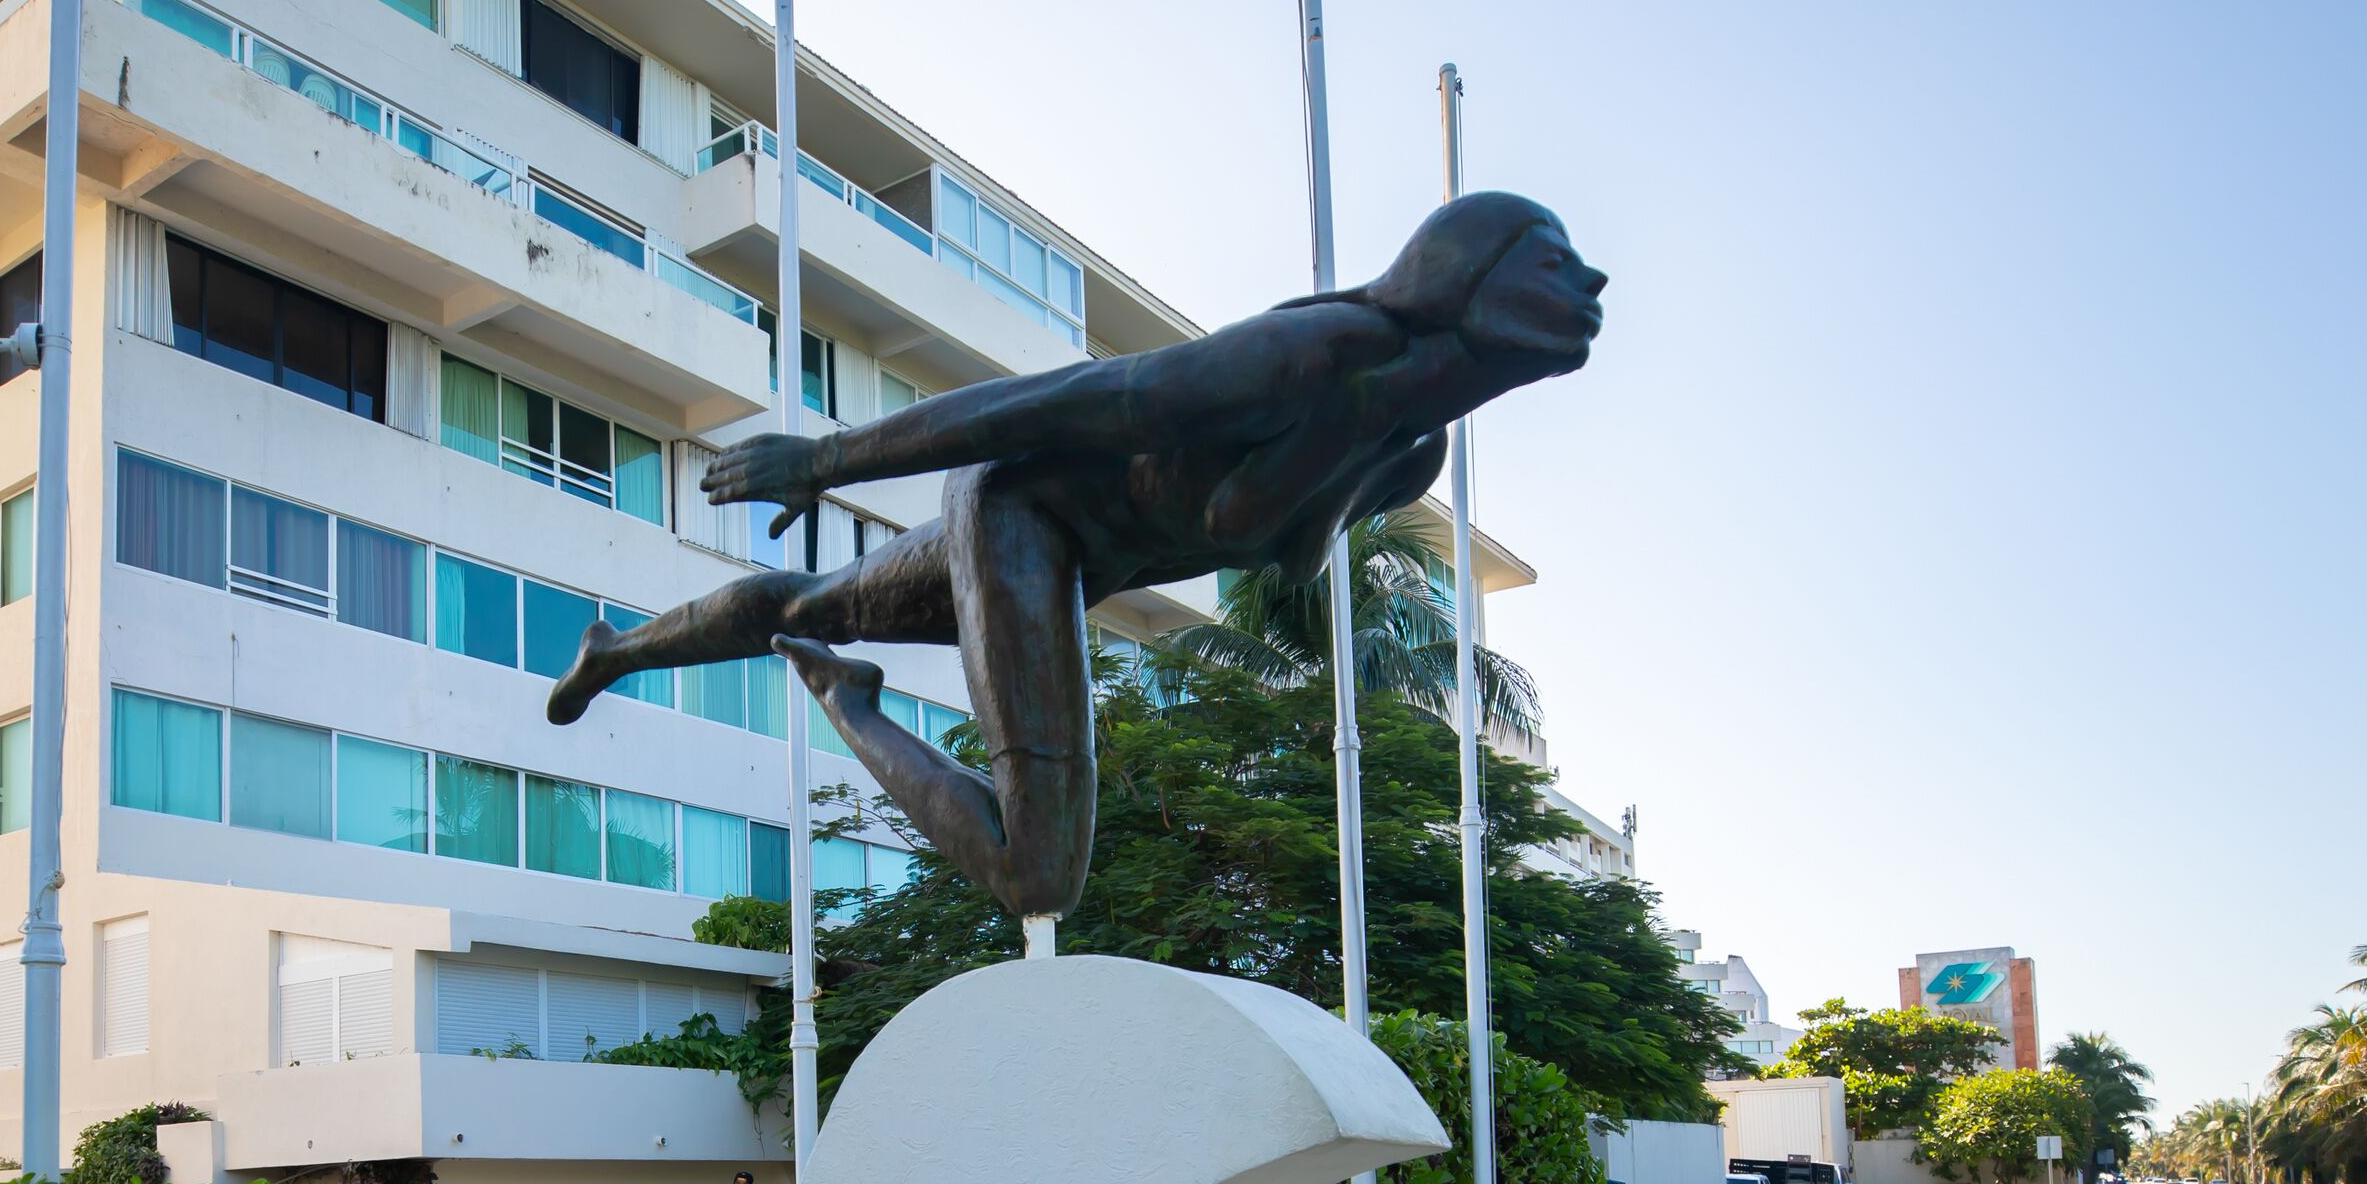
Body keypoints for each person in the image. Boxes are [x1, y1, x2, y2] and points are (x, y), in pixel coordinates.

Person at [544, 195, 1609, 928]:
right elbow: (1046, 403)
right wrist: (824, 459)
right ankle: (846, 700)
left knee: (818, 599)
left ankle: (617, 650)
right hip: (1018, 509)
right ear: (1474, 274)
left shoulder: (1409, 451)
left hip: (1073, 557)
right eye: (1556, 260)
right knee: (1037, 874)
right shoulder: (1304, 358)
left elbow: (1271, 545)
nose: (1593, 277)